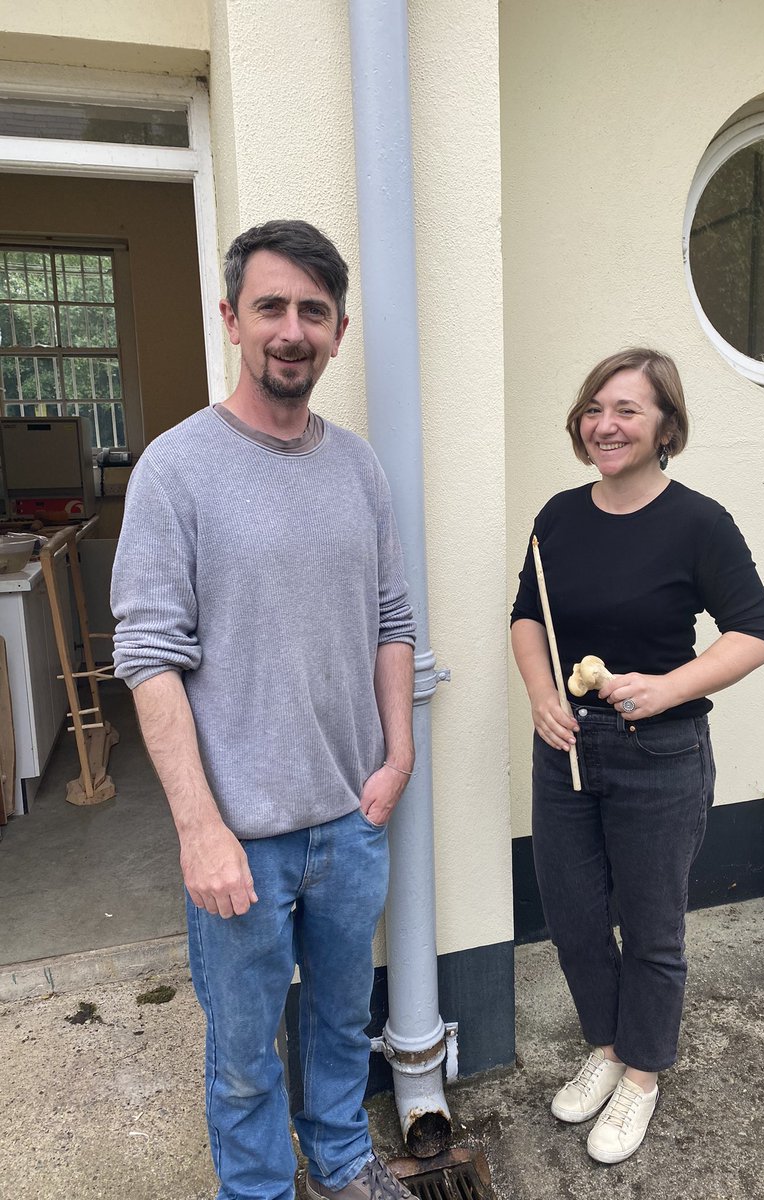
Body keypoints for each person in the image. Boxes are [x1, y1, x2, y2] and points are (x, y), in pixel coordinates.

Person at [111, 220, 417, 1200]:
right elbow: (150, 659)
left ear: (338, 331)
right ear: (232, 318)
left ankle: (340, 1160)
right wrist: (200, 830)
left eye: (314, 312)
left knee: (337, 1022)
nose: (293, 330)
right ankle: (258, 1192)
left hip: (349, 819)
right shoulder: (176, 469)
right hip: (241, 833)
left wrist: (395, 762)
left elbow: (392, 619)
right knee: (244, 1051)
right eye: (273, 307)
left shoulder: (359, 468)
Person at [510, 348, 764, 1164]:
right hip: (567, 750)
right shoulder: (557, 515)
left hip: (659, 753)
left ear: (666, 426)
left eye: (627, 409)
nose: (606, 424)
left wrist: (665, 688)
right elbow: (528, 617)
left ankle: (643, 1075)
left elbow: (754, 634)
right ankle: (610, 1046)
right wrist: (543, 696)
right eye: (596, 407)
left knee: (654, 930)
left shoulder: (698, 522)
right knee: (575, 917)